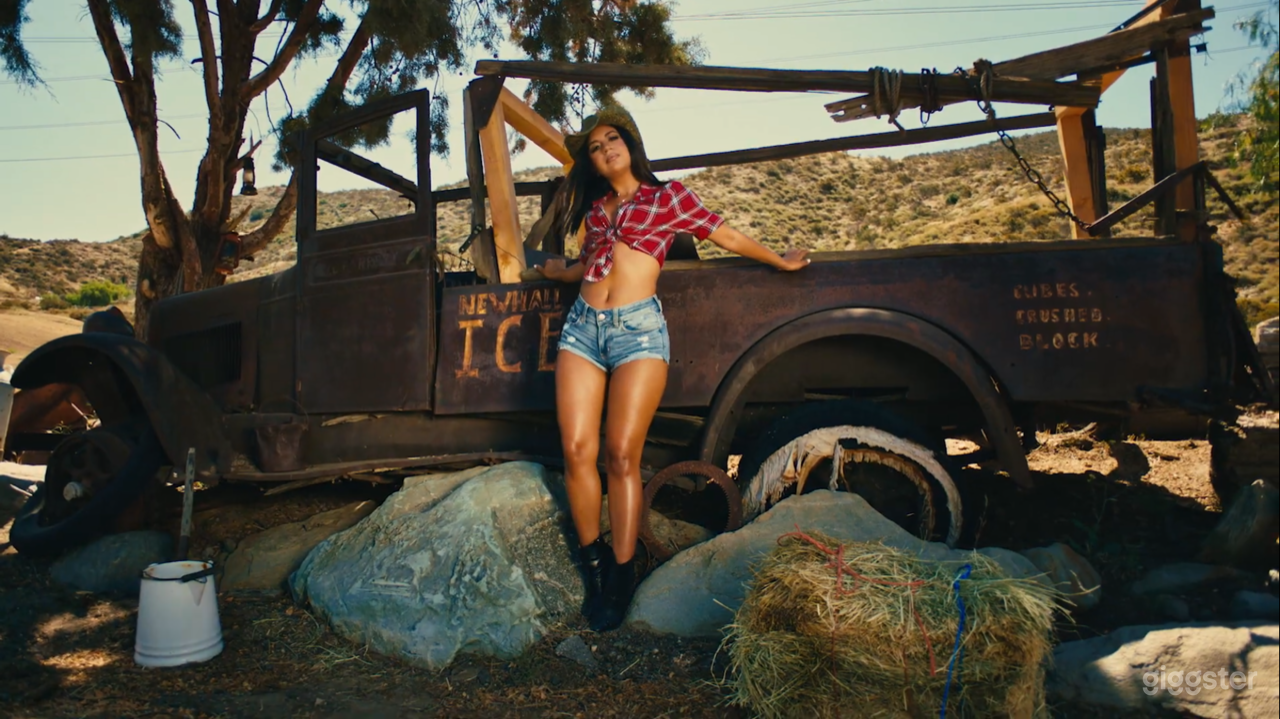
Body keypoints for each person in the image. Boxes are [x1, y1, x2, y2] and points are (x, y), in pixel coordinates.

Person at [534, 104, 811, 631]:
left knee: (621, 454)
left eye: (612, 139)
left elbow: (724, 235)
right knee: (576, 451)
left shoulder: (668, 198)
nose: (604, 150)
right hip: (582, 330)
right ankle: (595, 566)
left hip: (638, 332)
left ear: (630, 144)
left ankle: (622, 571)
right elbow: (586, 265)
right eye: (595, 147)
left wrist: (779, 260)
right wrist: (555, 270)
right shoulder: (596, 212)